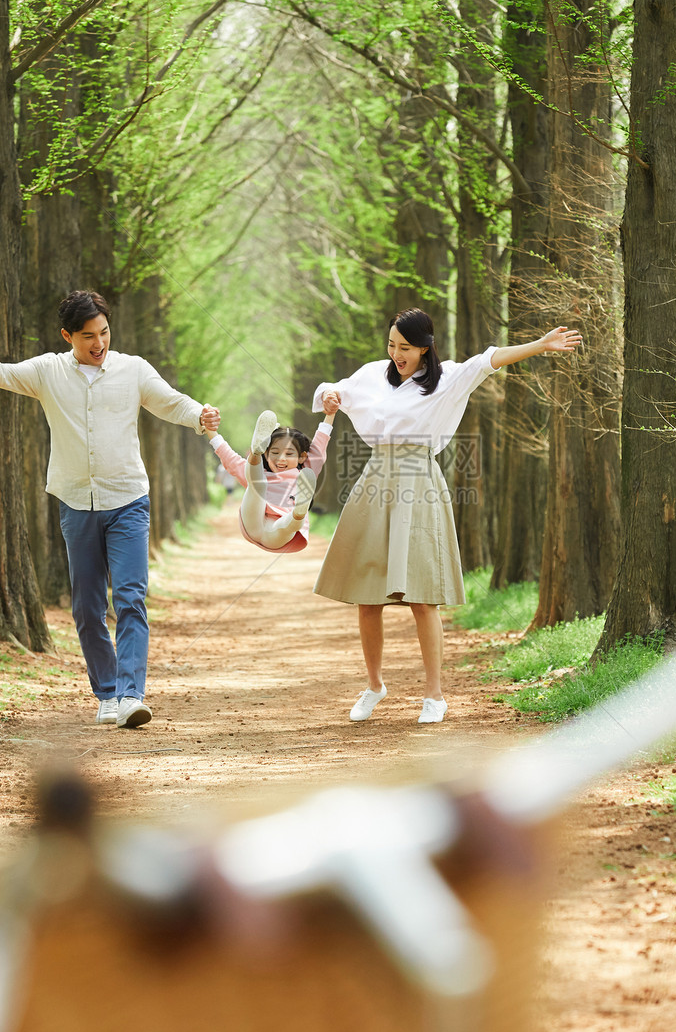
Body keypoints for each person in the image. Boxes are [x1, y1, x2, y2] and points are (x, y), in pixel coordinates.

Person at [0, 291, 219, 730]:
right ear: (67, 336)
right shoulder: (48, 371)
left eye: (105, 332)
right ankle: (107, 693)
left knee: (130, 598)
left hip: (128, 499)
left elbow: (170, 400)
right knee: (87, 608)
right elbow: (3, 374)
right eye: (88, 336)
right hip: (77, 503)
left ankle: (132, 695)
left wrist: (199, 414)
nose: (99, 343)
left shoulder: (132, 370)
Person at [312, 308, 582, 725]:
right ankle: (374, 685)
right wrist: (329, 395)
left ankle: (434, 695)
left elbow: (488, 360)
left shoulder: (447, 379)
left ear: (425, 348)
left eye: (404, 348)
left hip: (418, 479)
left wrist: (540, 346)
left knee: (422, 595)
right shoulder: (372, 375)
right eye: (391, 345)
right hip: (376, 477)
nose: (395, 354)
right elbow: (334, 389)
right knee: (367, 597)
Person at [206, 395, 339, 552]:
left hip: (278, 533)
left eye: (289, 454)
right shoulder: (260, 473)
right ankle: (255, 453)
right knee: (257, 484)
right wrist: (210, 429)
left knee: (284, 526)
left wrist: (331, 413)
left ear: (302, 457)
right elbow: (229, 458)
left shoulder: (304, 471)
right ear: (266, 454)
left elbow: (320, 443)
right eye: (274, 452)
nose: (281, 459)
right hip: (254, 522)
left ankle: (298, 513)